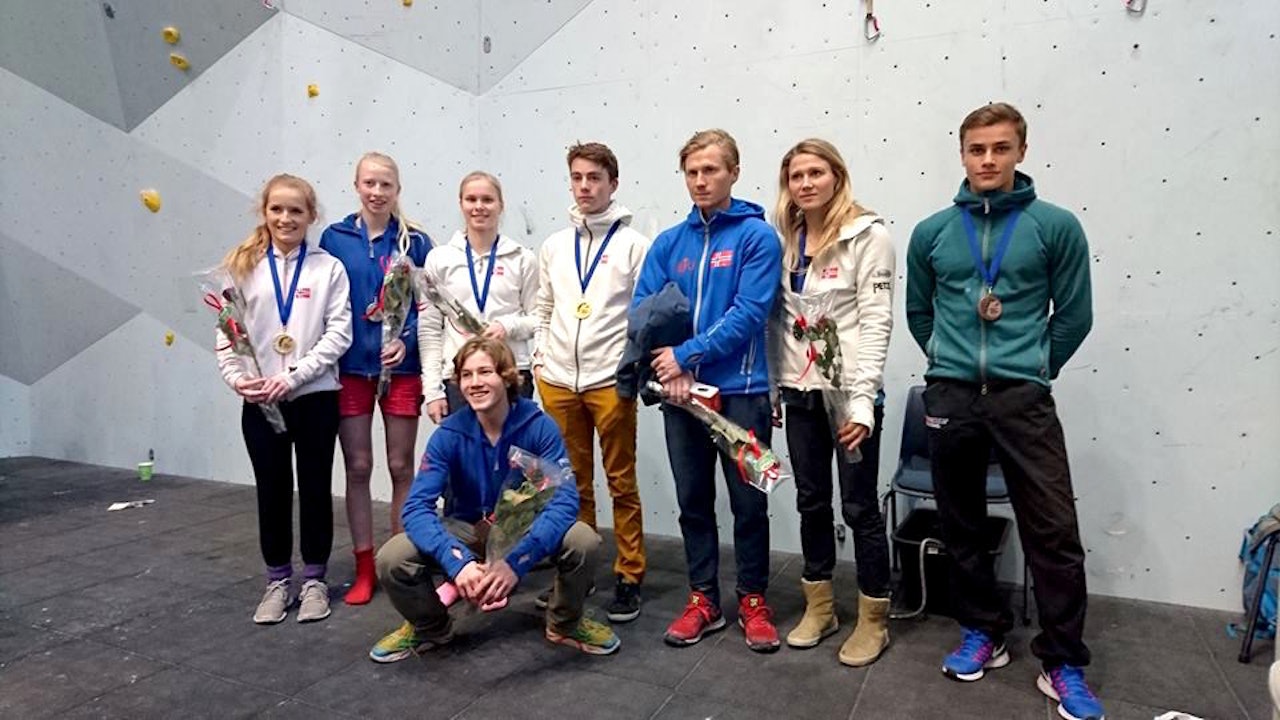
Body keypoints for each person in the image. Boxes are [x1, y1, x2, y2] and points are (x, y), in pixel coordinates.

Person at [905, 102, 1101, 720]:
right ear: (962, 155)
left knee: (1054, 531)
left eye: (1000, 148)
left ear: (1021, 151)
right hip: (953, 396)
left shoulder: (1055, 226)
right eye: (976, 149)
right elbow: (919, 313)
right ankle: (983, 631)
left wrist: (1036, 366)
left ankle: (1062, 660)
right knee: (960, 524)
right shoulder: (932, 232)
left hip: (1023, 397)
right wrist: (948, 359)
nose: (987, 160)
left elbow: (1073, 315)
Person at [369, 337, 620, 662]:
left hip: (523, 534)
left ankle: (565, 623)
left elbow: (564, 501)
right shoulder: (448, 435)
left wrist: (516, 564)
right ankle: (430, 627)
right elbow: (417, 508)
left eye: (484, 372)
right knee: (393, 557)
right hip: (467, 533)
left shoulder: (538, 427)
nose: (474, 383)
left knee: (583, 541)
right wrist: (457, 563)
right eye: (467, 375)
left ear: (506, 376)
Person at [632, 129, 783, 652]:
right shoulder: (668, 243)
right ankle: (703, 599)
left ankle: (753, 600)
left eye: (711, 170)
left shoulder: (757, 238)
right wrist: (670, 369)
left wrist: (685, 355)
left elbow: (749, 312)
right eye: (692, 171)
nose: (700, 180)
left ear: (734, 172)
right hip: (680, 395)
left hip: (742, 392)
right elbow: (645, 311)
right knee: (693, 501)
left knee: (749, 503)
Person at [769, 139, 894, 665]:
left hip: (850, 399)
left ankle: (873, 620)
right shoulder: (784, 241)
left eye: (816, 172)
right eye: (797, 175)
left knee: (861, 507)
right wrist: (777, 386)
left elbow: (876, 321)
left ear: (836, 176)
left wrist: (862, 404)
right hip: (800, 397)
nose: (806, 183)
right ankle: (821, 607)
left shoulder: (869, 235)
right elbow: (779, 322)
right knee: (811, 502)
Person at [215, 173, 352, 624]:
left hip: (313, 397)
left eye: (296, 210)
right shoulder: (243, 266)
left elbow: (338, 334)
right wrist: (237, 379)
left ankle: (314, 581)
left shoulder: (328, 268)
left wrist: (293, 376)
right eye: (277, 209)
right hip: (260, 402)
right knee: (271, 491)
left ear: (311, 215)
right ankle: (277, 581)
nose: (286, 218)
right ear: (265, 212)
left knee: (314, 489)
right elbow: (227, 333)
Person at [531, 142, 651, 623]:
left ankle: (630, 573)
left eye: (595, 178)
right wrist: (541, 358)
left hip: (609, 380)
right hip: (558, 379)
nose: (585, 187)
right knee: (571, 484)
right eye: (578, 178)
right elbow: (543, 308)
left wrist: (628, 367)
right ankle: (581, 570)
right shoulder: (555, 246)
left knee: (621, 481)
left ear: (612, 184)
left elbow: (643, 318)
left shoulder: (634, 246)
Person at [319, 152, 433, 606]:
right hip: (349, 370)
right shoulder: (334, 238)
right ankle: (365, 567)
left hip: (402, 370)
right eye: (369, 183)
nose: (377, 192)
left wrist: (406, 341)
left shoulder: (416, 242)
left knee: (402, 466)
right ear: (356, 185)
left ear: (397, 190)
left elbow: (428, 308)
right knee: (359, 467)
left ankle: (400, 563)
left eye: (386, 184)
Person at [420, 172, 537, 422]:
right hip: (459, 377)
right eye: (471, 199)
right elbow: (430, 329)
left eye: (487, 199)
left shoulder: (522, 258)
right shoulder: (440, 259)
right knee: (464, 457)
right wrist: (432, 391)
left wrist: (508, 326)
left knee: (513, 456)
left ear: (500, 205)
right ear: (461, 203)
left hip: (512, 373)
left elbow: (539, 318)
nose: (479, 207)